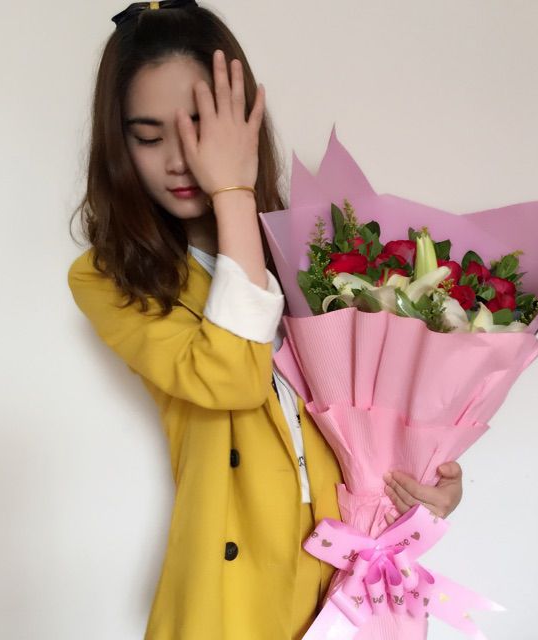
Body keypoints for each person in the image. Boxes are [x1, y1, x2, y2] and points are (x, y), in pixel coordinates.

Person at [67, 2, 464, 638]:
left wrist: (426, 485)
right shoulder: (113, 277)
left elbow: (374, 420)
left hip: (346, 580)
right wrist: (233, 194)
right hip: (229, 595)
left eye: (202, 128)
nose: (180, 159)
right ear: (120, 145)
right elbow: (230, 378)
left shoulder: (318, 253)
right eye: (149, 136)